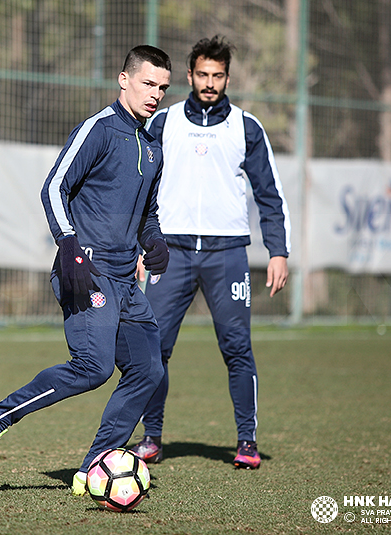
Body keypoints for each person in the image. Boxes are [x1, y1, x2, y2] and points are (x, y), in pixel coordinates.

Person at [0, 45, 172, 495]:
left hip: (125, 280)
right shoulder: (98, 129)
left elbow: (149, 213)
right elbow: (54, 186)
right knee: (93, 368)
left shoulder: (154, 145)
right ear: (124, 79)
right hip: (86, 271)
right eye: (148, 83)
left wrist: (154, 242)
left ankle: (95, 466)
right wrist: (69, 245)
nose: (155, 94)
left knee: (149, 370)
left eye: (162, 88)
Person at [130, 36, 291, 470]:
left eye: (217, 75)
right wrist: (143, 244)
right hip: (172, 252)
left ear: (226, 78)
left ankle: (246, 441)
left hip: (227, 255)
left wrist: (278, 251)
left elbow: (269, 194)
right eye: (202, 74)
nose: (209, 82)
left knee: (237, 348)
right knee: (154, 347)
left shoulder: (246, 127)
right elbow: (141, 187)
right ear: (189, 75)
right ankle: (151, 437)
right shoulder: (162, 124)